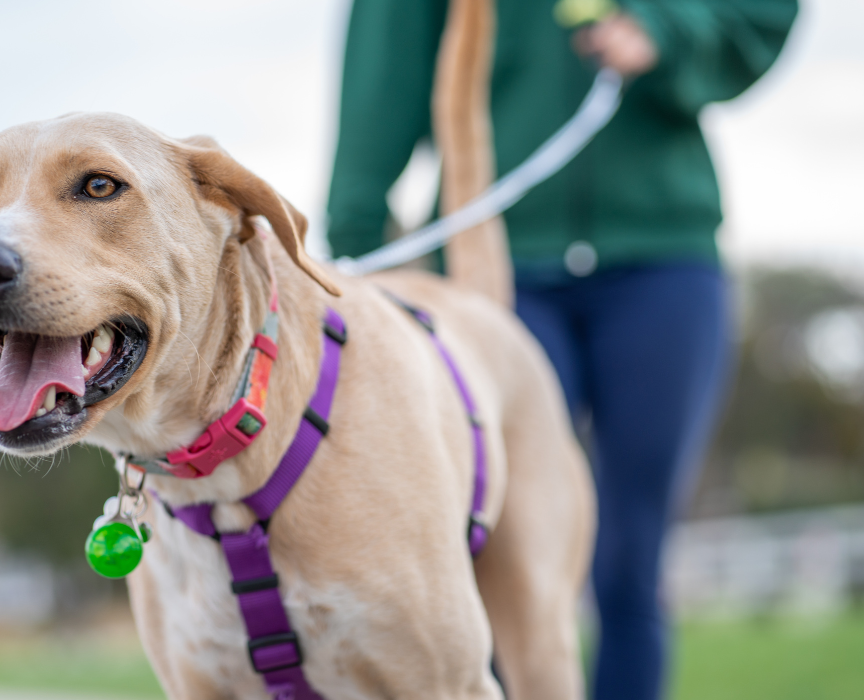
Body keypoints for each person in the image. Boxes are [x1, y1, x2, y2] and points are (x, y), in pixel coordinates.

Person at [325, 0, 797, 697]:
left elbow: (760, 15)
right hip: (489, 260)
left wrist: (668, 30)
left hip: (662, 260)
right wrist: (358, 242)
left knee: (632, 555)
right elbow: (383, 71)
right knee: (484, 545)